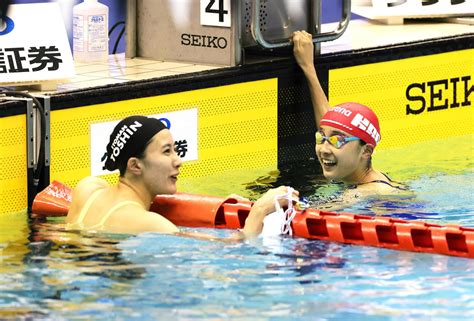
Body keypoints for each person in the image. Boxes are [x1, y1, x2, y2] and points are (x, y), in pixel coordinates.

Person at [66, 115, 299, 239]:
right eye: (167, 152)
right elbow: (234, 247)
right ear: (135, 165)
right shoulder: (152, 225)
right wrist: (259, 209)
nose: (178, 161)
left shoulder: (88, 189)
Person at [292, 30, 406, 197]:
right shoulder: (356, 174)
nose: (324, 149)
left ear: (366, 151)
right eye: (321, 137)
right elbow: (328, 122)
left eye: (337, 140)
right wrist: (308, 67)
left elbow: (301, 216)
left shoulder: (365, 193)